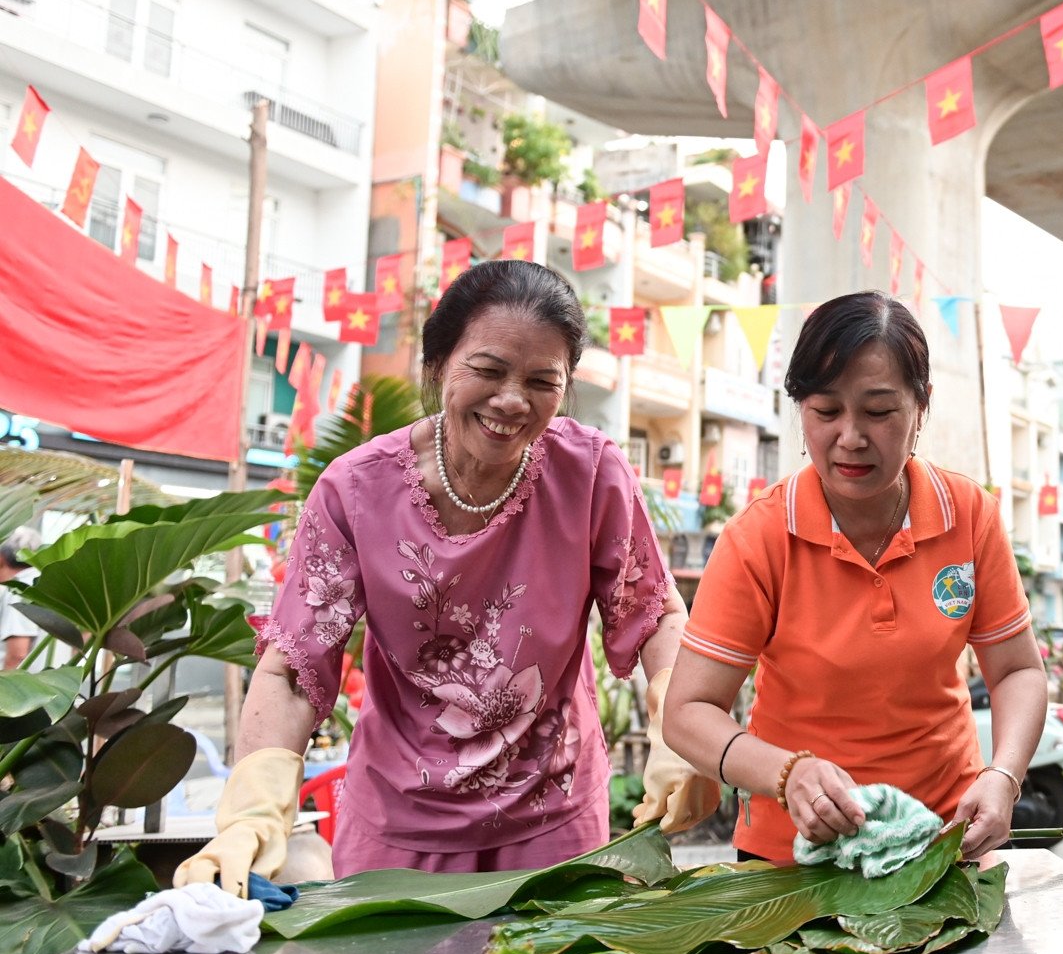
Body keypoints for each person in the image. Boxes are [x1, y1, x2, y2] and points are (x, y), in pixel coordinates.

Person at [177, 260, 717, 893]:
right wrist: (252, 808)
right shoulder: (354, 490)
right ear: (437, 367)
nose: (512, 401)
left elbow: (653, 617)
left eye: (542, 381)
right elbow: (295, 669)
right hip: (399, 826)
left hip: (557, 823)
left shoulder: (592, 474)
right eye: (487, 371)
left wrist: (677, 728)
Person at [663, 291, 1046, 954]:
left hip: (942, 850)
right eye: (825, 409)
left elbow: (1018, 670)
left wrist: (1002, 775)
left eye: (878, 409)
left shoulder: (969, 516)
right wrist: (787, 773)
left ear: (919, 406)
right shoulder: (760, 537)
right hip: (793, 863)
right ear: (799, 408)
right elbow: (688, 711)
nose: (850, 437)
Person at [1, 529, 43, 670]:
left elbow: (17, 655)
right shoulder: (44, 582)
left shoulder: (18, 589)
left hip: (23, 687)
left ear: (1, 558)